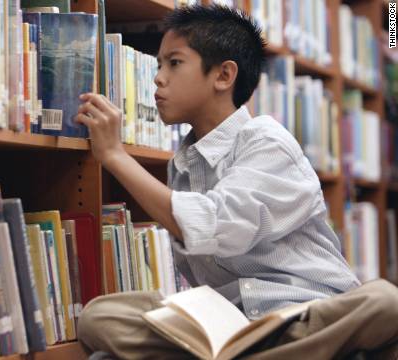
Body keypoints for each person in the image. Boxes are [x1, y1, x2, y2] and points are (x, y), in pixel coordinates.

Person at [72, 4, 398, 359]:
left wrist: (116, 156)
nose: (158, 77)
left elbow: (214, 224)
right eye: (159, 63)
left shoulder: (266, 140)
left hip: (304, 313)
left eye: (174, 63)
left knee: (385, 301)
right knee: (99, 316)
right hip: (230, 321)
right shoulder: (182, 166)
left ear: (224, 75)